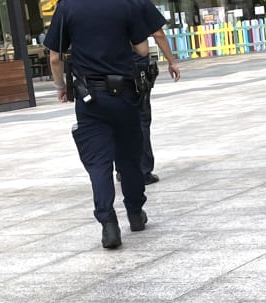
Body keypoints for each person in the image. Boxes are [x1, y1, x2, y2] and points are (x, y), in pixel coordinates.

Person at [47, 0, 165, 249]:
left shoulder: (67, 7)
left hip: (89, 97)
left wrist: (61, 87)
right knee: (129, 156)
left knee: (98, 162)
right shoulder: (125, 4)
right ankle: (135, 213)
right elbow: (142, 49)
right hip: (124, 93)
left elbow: (55, 57)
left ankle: (108, 224)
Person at [128, 21, 182, 185]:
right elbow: (158, 33)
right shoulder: (137, 7)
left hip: (110, 68)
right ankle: (143, 170)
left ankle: (124, 169)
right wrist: (171, 61)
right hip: (136, 65)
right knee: (141, 119)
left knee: (119, 120)